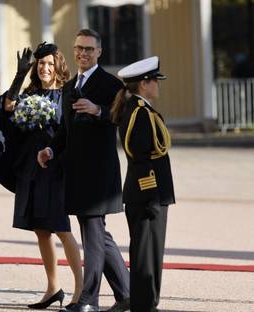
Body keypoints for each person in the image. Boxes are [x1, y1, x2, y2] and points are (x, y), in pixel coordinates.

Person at [37, 29, 130, 312]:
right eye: (79, 48)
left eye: (89, 49)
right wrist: (51, 149)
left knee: (92, 236)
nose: (83, 53)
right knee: (98, 234)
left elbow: (121, 118)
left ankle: (89, 300)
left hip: (99, 174)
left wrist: (97, 110)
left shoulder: (111, 85)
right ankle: (127, 294)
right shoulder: (68, 87)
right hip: (76, 173)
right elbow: (66, 130)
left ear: (99, 52)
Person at [0, 42, 83, 309]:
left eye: (49, 63)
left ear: (58, 66)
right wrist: (19, 75)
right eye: (40, 64)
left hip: (56, 169)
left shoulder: (67, 94)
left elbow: (72, 132)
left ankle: (82, 291)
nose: (45, 68)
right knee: (40, 230)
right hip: (30, 169)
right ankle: (53, 287)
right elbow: (9, 106)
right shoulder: (30, 93)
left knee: (61, 228)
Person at [111, 56, 175, 312]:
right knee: (146, 255)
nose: (158, 85)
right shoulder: (139, 112)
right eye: (155, 81)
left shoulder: (140, 109)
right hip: (148, 195)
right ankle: (145, 305)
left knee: (148, 253)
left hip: (150, 194)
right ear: (144, 83)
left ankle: (146, 303)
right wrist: (151, 197)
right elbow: (141, 158)